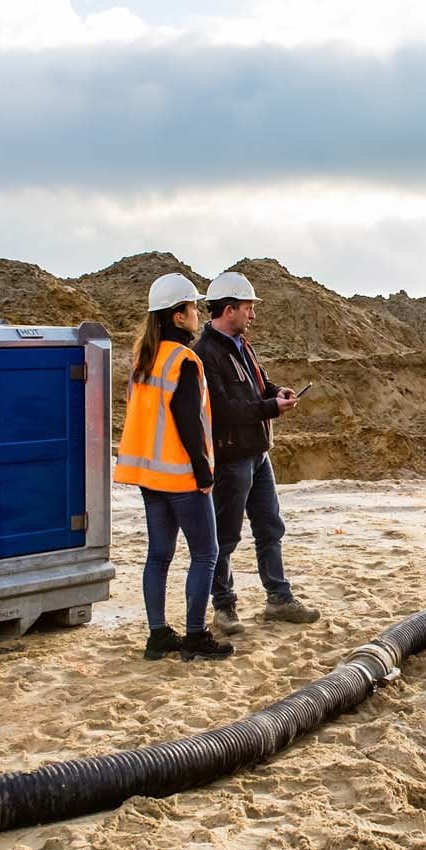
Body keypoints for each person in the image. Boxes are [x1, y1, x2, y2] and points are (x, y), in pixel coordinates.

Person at [114, 272, 233, 661]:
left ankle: (158, 636)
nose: (198, 313)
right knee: (205, 553)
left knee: (159, 554)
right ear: (177, 316)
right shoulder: (183, 360)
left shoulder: (144, 359)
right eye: (193, 308)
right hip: (180, 476)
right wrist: (204, 473)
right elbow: (187, 423)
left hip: (150, 477)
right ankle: (196, 636)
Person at [194, 269, 320, 634]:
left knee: (269, 527)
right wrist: (270, 408)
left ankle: (278, 599)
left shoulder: (241, 345)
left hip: (257, 454)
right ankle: (224, 607)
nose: (253, 315)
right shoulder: (204, 354)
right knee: (226, 537)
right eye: (248, 308)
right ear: (229, 309)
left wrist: (277, 392)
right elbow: (223, 411)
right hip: (231, 459)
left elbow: (260, 385)